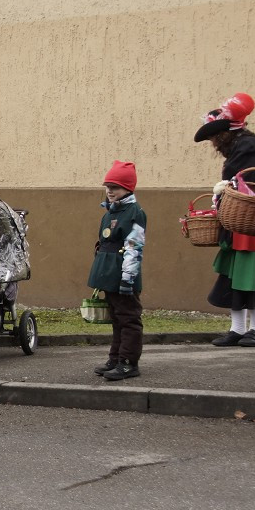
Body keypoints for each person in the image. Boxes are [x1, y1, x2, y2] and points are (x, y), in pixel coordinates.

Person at [195, 93, 255, 347]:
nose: (213, 143)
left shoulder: (248, 146)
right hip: (236, 221)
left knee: (252, 278)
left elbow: (244, 184)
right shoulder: (240, 145)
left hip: (250, 222)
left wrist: (223, 193)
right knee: (232, 277)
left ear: (224, 133)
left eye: (214, 137)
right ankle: (238, 329)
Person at [87, 161, 146, 380]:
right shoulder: (110, 212)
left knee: (128, 318)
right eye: (108, 186)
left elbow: (134, 246)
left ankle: (129, 362)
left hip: (123, 276)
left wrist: (128, 278)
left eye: (116, 187)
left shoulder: (134, 212)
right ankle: (116, 358)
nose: (110, 191)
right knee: (116, 318)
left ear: (128, 189)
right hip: (110, 275)